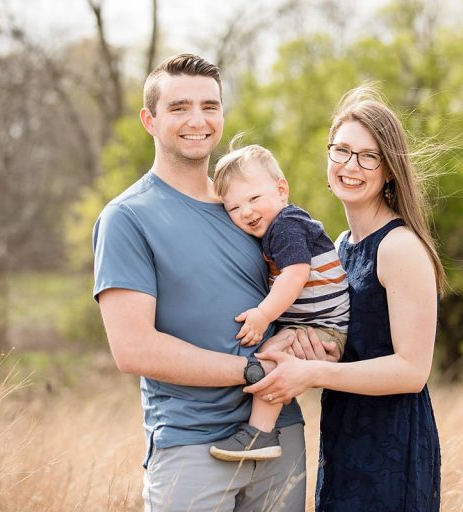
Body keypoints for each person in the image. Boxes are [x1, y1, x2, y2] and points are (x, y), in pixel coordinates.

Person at [92, 54, 319, 512]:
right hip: (191, 446)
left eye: (209, 106)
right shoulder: (127, 217)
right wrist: (255, 371)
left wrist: (306, 343)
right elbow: (132, 349)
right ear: (149, 120)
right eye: (178, 108)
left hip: (279, 435)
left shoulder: (250, 209)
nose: (197, 120)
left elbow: (302, 288)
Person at [245, 86, 445, 512]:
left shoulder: (399, 247)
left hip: (392, 446)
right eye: (341, 151)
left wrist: (312, 373)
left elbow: (412, 370)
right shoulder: (339, 245)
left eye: (368, 156)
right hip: (344, 434)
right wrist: (305, 346)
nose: (351, 166)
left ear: (390, 169)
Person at [208, 141, 349, 461]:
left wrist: (262, 314)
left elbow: (296, 274)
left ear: (281, 189)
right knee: (269, 353)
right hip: (316, 324)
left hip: (323, 328)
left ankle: (260, 433)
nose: (246, 211)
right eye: (233, 207)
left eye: (254, 198)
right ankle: (260, 429)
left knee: (271, 357)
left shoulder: (285, 225)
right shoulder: (277, 227)